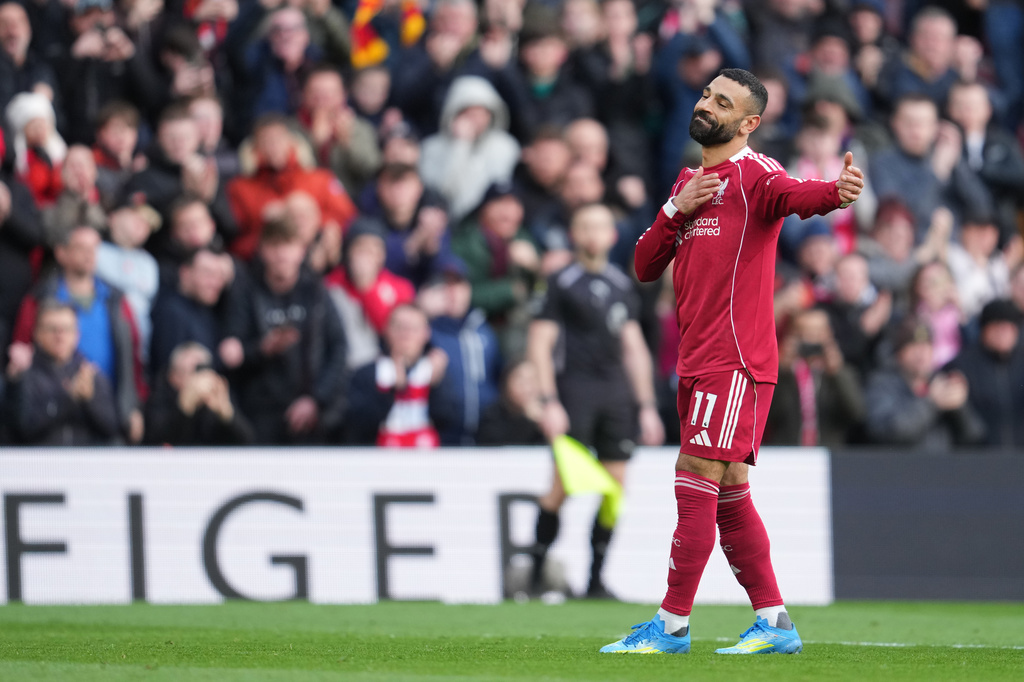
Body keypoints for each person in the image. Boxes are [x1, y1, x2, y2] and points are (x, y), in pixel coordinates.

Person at [603, 68, 864, 655]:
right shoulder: (689, 180)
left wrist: (836, 191)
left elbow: (799, 195)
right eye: (704, 94)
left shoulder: (755, 175)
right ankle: (774, 623)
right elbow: (644, 266)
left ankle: (671, 625)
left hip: (735, 360)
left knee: (694, 478)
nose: (706, 105)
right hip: (696, 359)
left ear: (748, 123)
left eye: (723, 102)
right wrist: (676, 205)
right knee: (729, 492)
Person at [526, 202, 664, 601]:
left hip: (616, 396)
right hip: (574, 393)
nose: (592, 234)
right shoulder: (560, 281)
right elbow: (540, 342)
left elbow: (634, 348)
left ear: (612, 236)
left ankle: (595, 580)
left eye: (599, 226)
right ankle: (535, 573)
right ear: (574, 234)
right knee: (562, 486)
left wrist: (647, 406)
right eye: (584, 226)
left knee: (615, 488)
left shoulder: (622, 283)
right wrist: (548, 400)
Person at [219, 218, 348, 444]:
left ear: (301, 251)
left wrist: (316, 399)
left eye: (288, 246)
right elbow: (232, 354)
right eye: (275, 246)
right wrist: (262, 349)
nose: (282, 254)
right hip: (260, 414)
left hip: (312, 413)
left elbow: (339, 348)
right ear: (263, 250)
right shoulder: (246, 292)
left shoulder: (317, 292)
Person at [5, 300, 119, 445]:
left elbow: (112, 427)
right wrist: (68, 399)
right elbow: (22, 429)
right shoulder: (24, 376)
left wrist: (90, 400)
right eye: (52, 329)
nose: (60, 337)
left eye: (66, 329)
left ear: (77, 334)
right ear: (37, 333)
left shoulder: (91, 374)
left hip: (86, 463)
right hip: (38, 464)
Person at [864, 317, 985, 450]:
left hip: (939, 468)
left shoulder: (941, 381)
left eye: (927, 346)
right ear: (899, 353)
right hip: (897, 467)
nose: (921, 354)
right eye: (913, 346)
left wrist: (960, 408)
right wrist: (931, 404)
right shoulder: (882, 383)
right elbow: (887, 431)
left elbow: (973, 436)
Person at [345, 303, 449, 447]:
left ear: (426, 333)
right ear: (387, 329)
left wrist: (436, 386)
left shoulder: (436, 371)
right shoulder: (366, 373)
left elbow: (448, 422)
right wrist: (392, 391)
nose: (406, 334)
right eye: (400, 327)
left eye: (413, 328)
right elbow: (357, 424)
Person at [944, 299, 1024, 448]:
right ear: (984, 329)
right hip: (978, 459)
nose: (1003, 333)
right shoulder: (961, 366)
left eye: (1009, 328)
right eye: (997, 327)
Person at [145, 342, 254, 446]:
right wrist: (184, 408)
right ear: (174, 376)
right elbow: (156, 440)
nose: (198, 380)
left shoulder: (215, 396)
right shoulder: (160, 395)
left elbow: (247, 441)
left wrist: (227, 414)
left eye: (201, 371)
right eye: (190, 372)